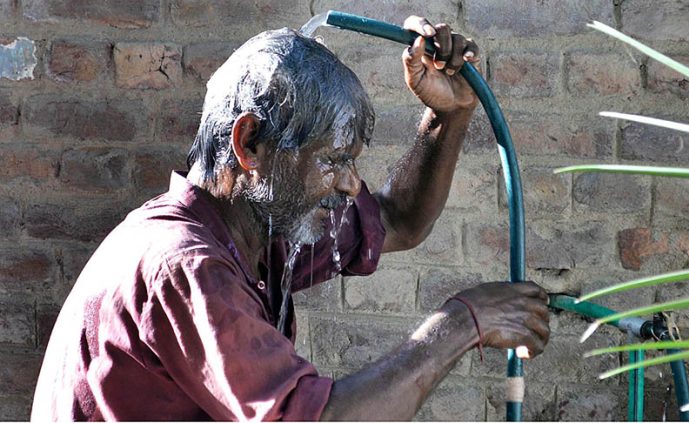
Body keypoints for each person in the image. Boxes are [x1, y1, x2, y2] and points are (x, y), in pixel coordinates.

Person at [32, 16, 550, 421]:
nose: (350, 183)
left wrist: (447, 115)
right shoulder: (186, 266)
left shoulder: (264, 230)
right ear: (249, 143)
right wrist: (461, 323)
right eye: (334, 160)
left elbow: (397, 220)